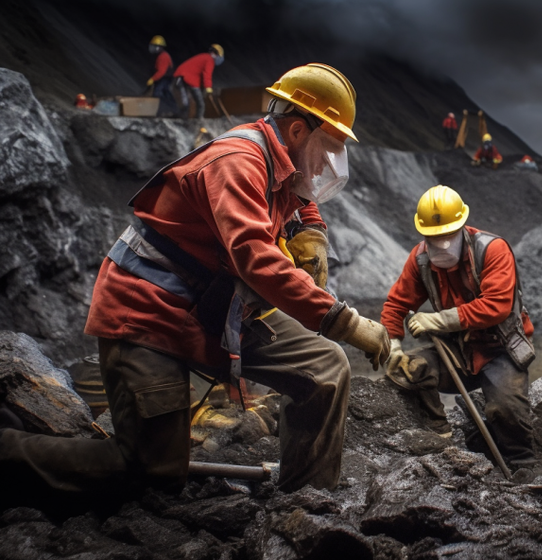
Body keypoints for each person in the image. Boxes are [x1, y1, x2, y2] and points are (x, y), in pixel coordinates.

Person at [0, 63, 390, 509]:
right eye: (329, 148)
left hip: (215, 309)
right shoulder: (237, 162)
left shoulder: (282, 158)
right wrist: (342, 321)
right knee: (152, 470)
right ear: (299, 130)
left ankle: (305, 505)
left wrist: (312, 230)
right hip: (149, 314)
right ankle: (8, 452)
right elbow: (255, 257)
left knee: (324, 369)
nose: (326, 164)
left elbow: (299, 196)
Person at [380, 185, 536, 468]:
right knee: (410, 370)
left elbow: (497, 305)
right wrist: (392, 344)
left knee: (506, 410)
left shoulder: (492, 250)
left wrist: (438, 320)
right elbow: (396, 304)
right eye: (434, 237)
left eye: (448, 235)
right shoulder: (420, 260)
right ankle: (439, 432)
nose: (441, 244)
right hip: (457, 351)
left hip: (499, 349)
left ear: (462, 226)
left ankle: (521, 466)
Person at [174, 44, 224, 120]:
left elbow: (199, 75)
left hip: (182, 77)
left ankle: (184, 118)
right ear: (217, 55)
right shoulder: (209, 60)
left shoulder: (204, 57)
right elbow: (207, 75)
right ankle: (198, 121)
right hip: (186, 79)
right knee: (200, 104)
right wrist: (208, 88)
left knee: (186, 103)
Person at [146, 35, 177, 117]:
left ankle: (160, 112)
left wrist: (152, 79)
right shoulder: (160, 56)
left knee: (157, 93)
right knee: (166, 93)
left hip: (165, 78)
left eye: (153, 46)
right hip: (164, 78)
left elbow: (161, 71)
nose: (151, 48)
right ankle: (174, 110)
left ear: (158, 47)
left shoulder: (163, 57)